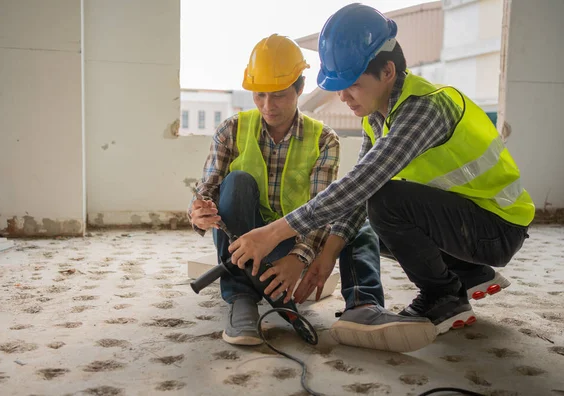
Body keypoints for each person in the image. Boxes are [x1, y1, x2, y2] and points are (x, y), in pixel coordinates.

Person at [228, 4, 534, 343]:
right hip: (466, 222)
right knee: (371, 222)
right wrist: (326, 255)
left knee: (386, 202)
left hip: (498, 228)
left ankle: (444, 296)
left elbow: (361, 184)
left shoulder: (424, 109)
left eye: (353, 84)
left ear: (387, 71)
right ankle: (468, 272)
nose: (342, 96)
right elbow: (356, 203)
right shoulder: (376, 117)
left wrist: (271, 233)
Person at [189, 34, 386, 347]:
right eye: (260, 95)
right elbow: (206, 193)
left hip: (291, 245)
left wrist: (298, 259)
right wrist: (199, 214)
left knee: (355, 222)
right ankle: (242, 295)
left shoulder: (324, 140)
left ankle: (363, 307)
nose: (268, 106)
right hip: (243, 242)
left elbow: (323, 211)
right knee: (237, 181)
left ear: (299, 88)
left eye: (279, 95)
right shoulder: (231, 130)